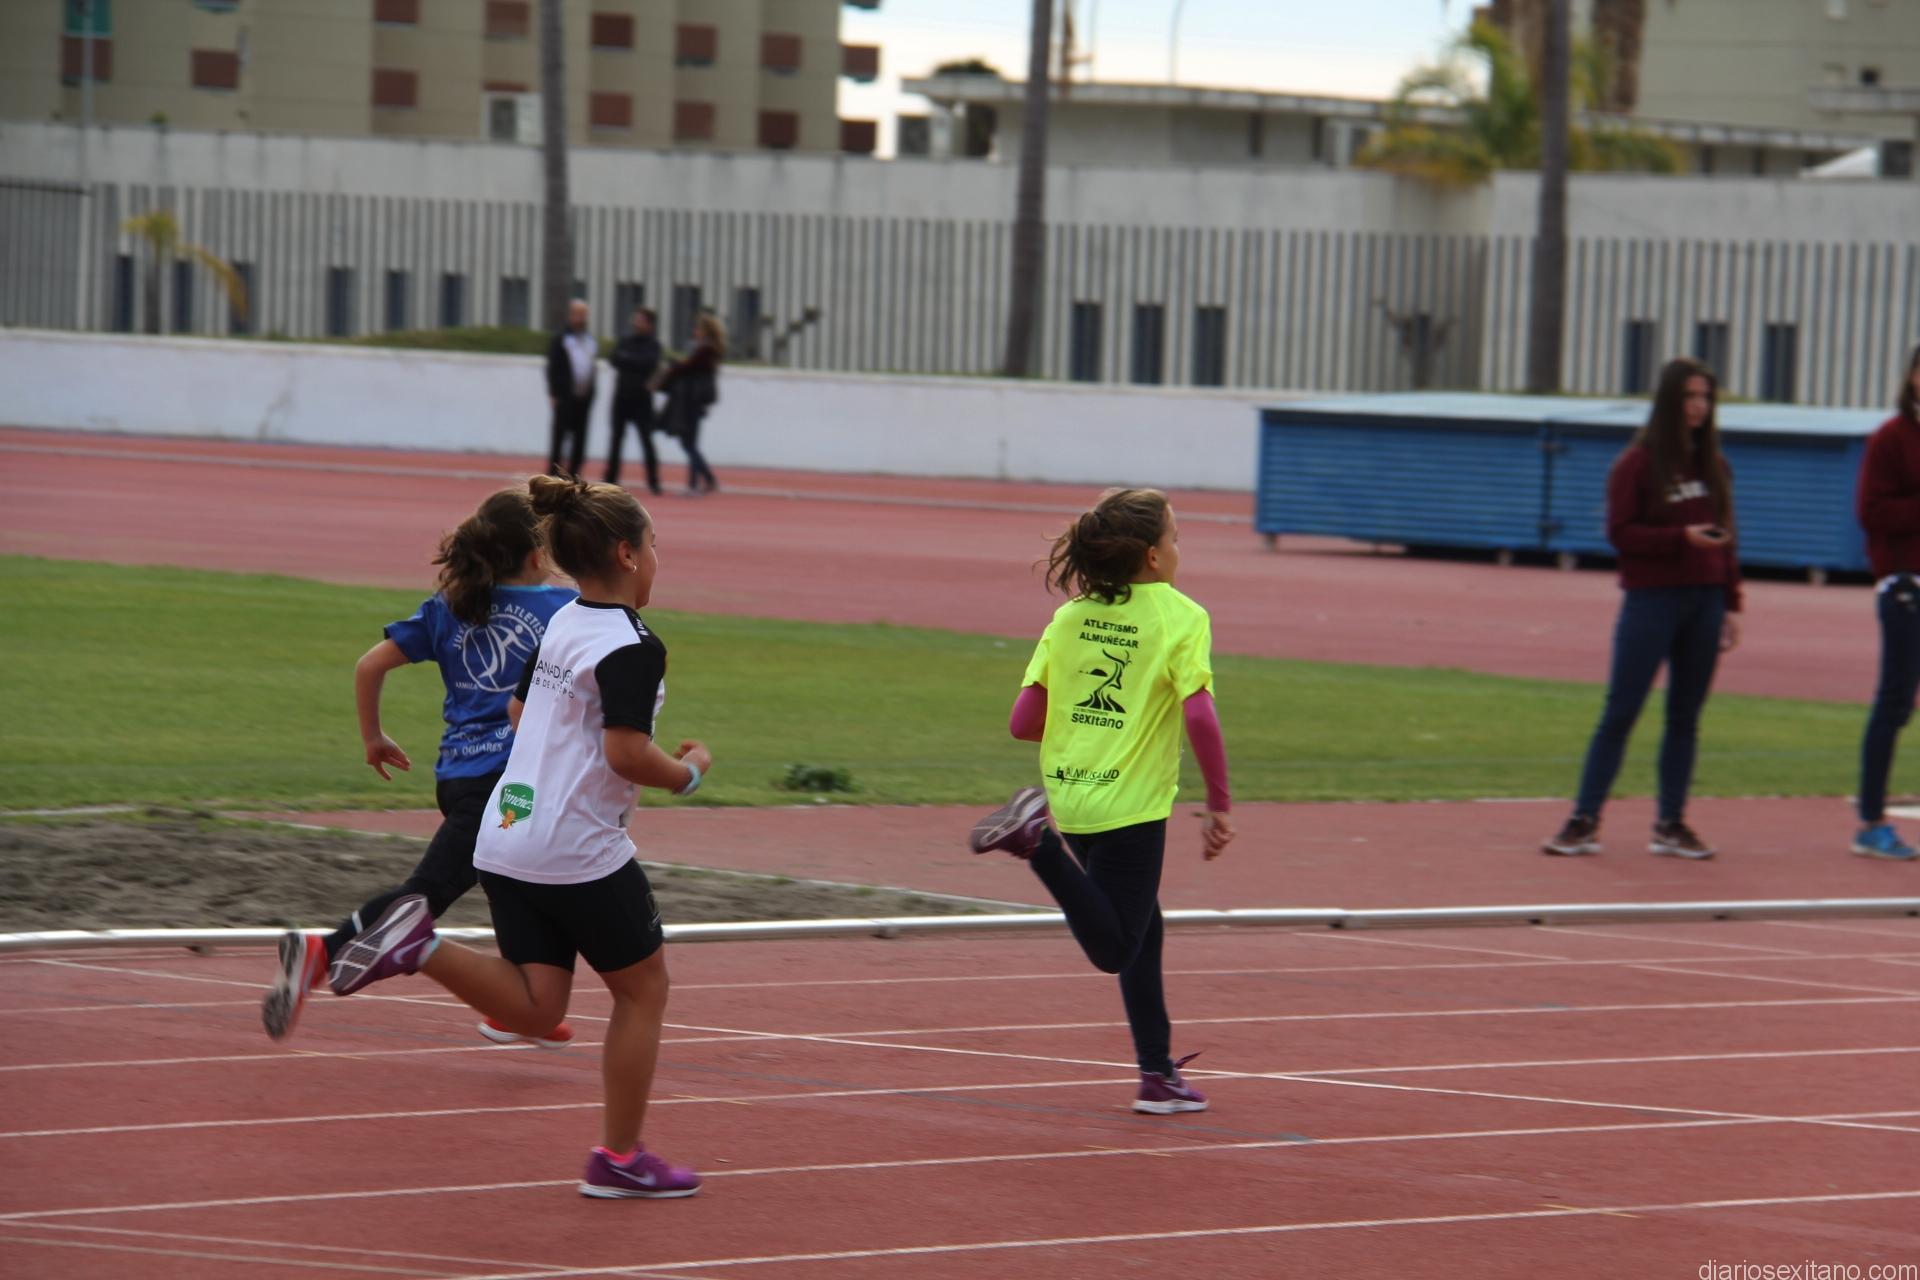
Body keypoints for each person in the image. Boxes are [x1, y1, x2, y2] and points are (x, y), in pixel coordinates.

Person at [325, 475, 710, 1200]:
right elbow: (627, 753)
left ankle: (420, 945)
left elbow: (515, 710)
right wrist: (687, 774)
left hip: (504, 832)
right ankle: (620, 1158)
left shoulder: (560, 624)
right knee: (643, 991)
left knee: (538, 1006)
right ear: (627, 554)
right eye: (655, 544)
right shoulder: (631, 645)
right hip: (576, 848)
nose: (658, 559)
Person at [261, 488, 578, 1043]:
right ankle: (322, 951)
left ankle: (514, 1003)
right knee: (428, 895)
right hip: (507, 786)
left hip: (457, 778)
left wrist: (373, 737)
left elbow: (369, 665)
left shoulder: (451, 605)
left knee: (514, 879)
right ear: (537, 555)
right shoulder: (559, 610)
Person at [969, 487, 1233, 1114]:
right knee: (1115, 949)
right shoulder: (1181, 616)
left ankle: (1157, 1075)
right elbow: (1200, 716)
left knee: (1144, 928)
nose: (1179, 549)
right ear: (1151, 556)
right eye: (1174, 538)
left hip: (1073, 793)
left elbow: (1024, 721)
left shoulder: (1070, 618)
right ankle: (1037, 844)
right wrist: (1220, 802)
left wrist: (1091, 724)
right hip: (1130, 806)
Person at [1543, 357, 1743, 860]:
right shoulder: (1636, 463)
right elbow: (1621, 534)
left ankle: (1671, 824)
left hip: (1706, 600)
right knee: (1622, 710)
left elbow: (1729, 540)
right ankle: (1583, 820)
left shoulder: (1715, 466)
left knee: (1685, 717)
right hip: (1652, 600)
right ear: (1670, 400)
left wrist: (1732, 601)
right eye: (1690, 396)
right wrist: (1681, 538)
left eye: (1706, 397)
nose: (1699, 406)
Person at [1852, 343, 1920, 862]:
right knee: (1895, 701)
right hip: (1904, 586)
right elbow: (1871, 512)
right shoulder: (1891, 438)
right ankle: (1871, 821)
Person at [655, 311, 724, 495]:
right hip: (693, 400)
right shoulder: (705, 349)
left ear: (705, 330)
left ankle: (697, 483)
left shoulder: (705, 350)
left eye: (698, 328)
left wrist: (674, 364)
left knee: (689, 443)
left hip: (692, 400)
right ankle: (705, 479)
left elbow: (687, 367)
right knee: (689, 442)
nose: (695, 331)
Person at [606, 307, 664, 494]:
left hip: (642, 400)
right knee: (616, 439)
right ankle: (610, 479)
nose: (635, 323)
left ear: (649, 324)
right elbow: (614, 359)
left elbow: (648, 363)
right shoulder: (625, 341)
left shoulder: (653, 345)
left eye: (640, 320)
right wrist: (635, 361)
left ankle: (653, 480)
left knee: (646, 440)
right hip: (622, 397)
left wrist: (628, 359)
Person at [546, 299, 598, 478]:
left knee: (580, 440)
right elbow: (553, 367)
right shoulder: (561, 339)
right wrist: (553, 393)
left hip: (583, 398)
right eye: (577, 314)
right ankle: (553, 475)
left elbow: (590, 367)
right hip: (565, 396)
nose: (580, 318)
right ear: (570, 315)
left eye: (583, 315)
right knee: (559, 438)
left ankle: (574, 474)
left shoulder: (589, 340)